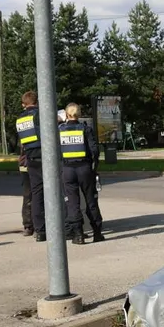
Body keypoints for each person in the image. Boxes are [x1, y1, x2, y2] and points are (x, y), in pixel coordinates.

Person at [59, 102, 104, 244]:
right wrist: (94, 165)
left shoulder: (60, 130)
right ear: (79, 114)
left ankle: (78, 235)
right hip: (84, 168)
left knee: (72, 203)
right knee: (91, 200)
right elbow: (94, 150)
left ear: (66, 115)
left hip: (67, 169)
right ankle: (97, 233)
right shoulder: (85, 129)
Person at [15, 91, 46, 241]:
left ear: (23, 105)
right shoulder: (40, 115)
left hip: (27, 158)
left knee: (33, 194)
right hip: (44, 157)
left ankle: (33, 228)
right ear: (37, 102)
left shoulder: (20, 119)